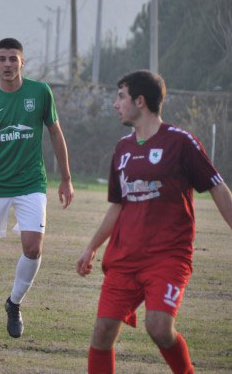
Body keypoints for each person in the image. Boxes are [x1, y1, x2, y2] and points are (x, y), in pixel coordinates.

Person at [76, 70, 231, 374]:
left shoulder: (180, 142)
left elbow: (218, 188)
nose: (115, 104)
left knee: (159, 327)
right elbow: (118, 205)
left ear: (140, 101)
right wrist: (92, 247)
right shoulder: (122, 149)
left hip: (167, 257)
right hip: (124, 258)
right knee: (103, 331)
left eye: (121, 96)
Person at [0, 37, 74, 338]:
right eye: (2, 59)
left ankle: (14, 303)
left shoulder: (40, 92)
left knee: (33, 248)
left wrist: (66, 178)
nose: (7, 64)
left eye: (12, 59)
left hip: (31, 182)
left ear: (22, 62)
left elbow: (56, 133)